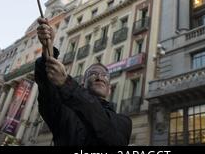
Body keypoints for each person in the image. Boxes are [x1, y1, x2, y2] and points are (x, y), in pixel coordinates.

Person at [35, 17, 132, 146]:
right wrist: (48, 48)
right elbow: (47, 91)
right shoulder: (65, 113)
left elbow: (108, 134)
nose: (100, 76)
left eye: (105, 75)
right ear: (83, 84)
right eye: (93, 73)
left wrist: (66, 83)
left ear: (109, 89)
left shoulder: (123, 122)